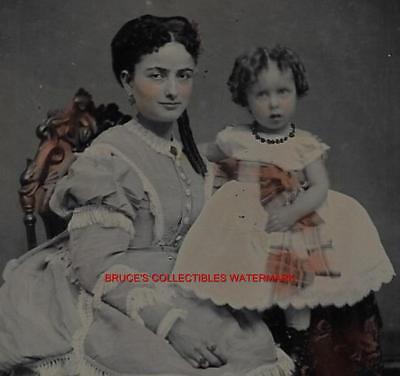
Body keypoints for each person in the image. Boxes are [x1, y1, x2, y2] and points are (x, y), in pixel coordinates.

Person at [0, 16, 294, 376]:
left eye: (183, 76)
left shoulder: (192, 156)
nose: (173, 90)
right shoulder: (107, 159)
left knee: (253, 351)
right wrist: (171, 325)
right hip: (119, 296)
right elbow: (97, 267)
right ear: (127, 81)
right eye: (156, 75)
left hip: (186, 288)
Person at [172, 45, 395, 373]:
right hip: (245, 220)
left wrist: (293, 212)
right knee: (250, 283)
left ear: (297, 91)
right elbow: (204, 153)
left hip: (291, 219)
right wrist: (171, 151)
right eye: (261, 95)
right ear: (244, 99)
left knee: (295, 289)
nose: (274, 104)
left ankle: (298, 347)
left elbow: (318, 186)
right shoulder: (236, 137)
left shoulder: (304, 143)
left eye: (283, 92)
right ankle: (267, 349)